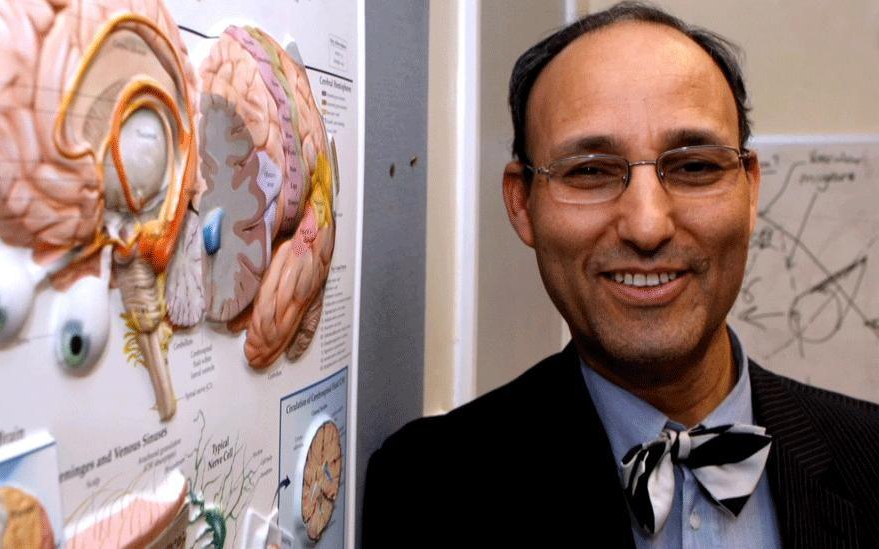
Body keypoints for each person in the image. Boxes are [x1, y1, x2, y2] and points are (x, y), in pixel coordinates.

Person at [362, 2, 879, 547]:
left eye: (694, 166)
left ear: (750, 189)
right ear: (521, 204)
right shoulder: (425, 489)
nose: (648, 225)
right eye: (589, 171)